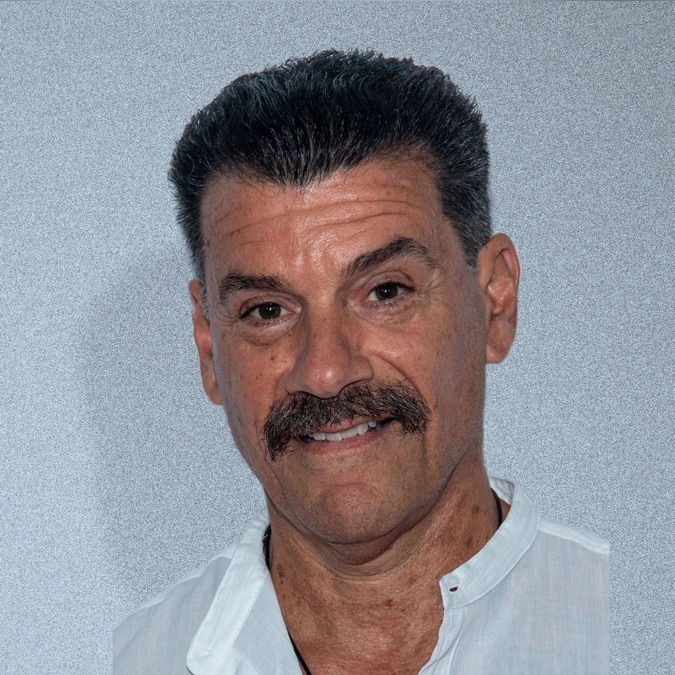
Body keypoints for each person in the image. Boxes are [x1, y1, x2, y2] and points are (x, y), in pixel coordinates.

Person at [113, 50, 608, 674]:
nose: (325, 372)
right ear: (210, 346)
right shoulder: (131, 660)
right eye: (267, 310)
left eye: (385, 292)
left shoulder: (633, 629)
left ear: (494, 302)